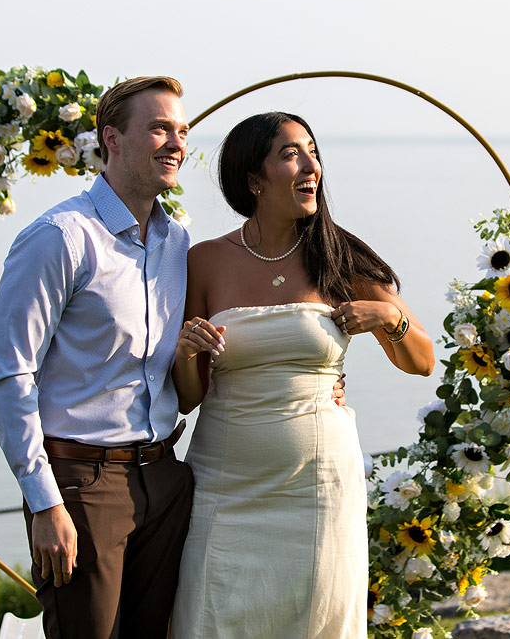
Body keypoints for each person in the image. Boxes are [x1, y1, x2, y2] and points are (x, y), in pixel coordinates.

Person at [170, 112, 436, 638]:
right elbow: (187, 398)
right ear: (253, 180)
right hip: (225, 488)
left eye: (312, 152)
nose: (311, 165)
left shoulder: (339, 258)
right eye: (291, 154)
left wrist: (389, 318)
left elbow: (422, 361)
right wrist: (184, 353)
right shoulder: (204, 261)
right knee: (206, 617)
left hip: (318, 488)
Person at [0, 76, 195, 639]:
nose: (175, 143)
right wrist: (44, 502)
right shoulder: (60, 236)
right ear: (113, 139)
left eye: (181, 131)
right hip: (82, 487)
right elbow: (10, 375)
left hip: (165, 478)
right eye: (158, 128)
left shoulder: (177, 244)